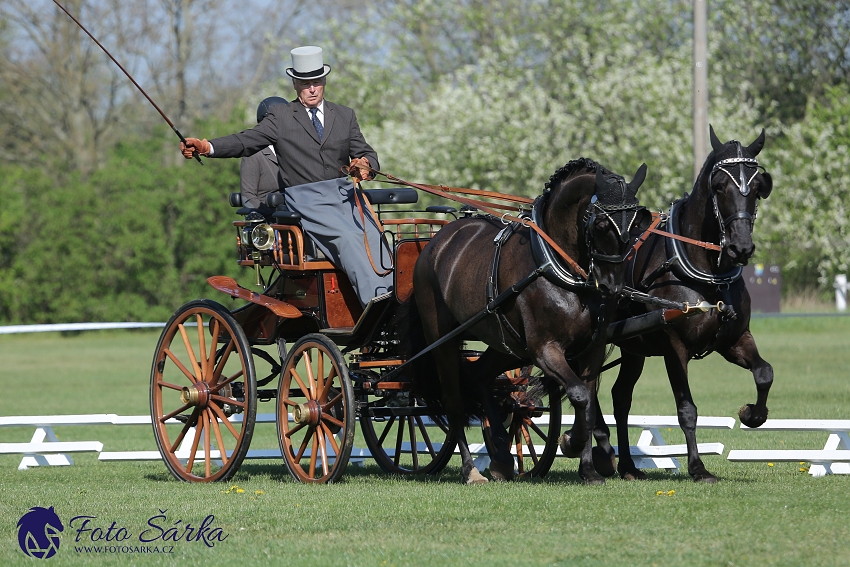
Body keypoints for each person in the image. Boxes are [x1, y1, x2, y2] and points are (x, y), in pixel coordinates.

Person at [181, 46, 392, 307]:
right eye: (305, 83)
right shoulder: (281, 117)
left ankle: (394, 296)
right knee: (348, 239)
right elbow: (246, 140)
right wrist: (207, 147)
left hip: (346, 197)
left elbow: (364, 150)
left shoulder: (345, 115)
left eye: (316, 82)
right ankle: (376, 305)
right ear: (295, 83)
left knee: (375, 235)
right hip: (307, 201)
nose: (312, 89)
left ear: (324, 80)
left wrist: (365, 162)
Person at [239, 96, 288, 212]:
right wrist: (270, 215)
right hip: (270, 219)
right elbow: (248, 196)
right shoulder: (254, 154)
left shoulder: (294, 149)